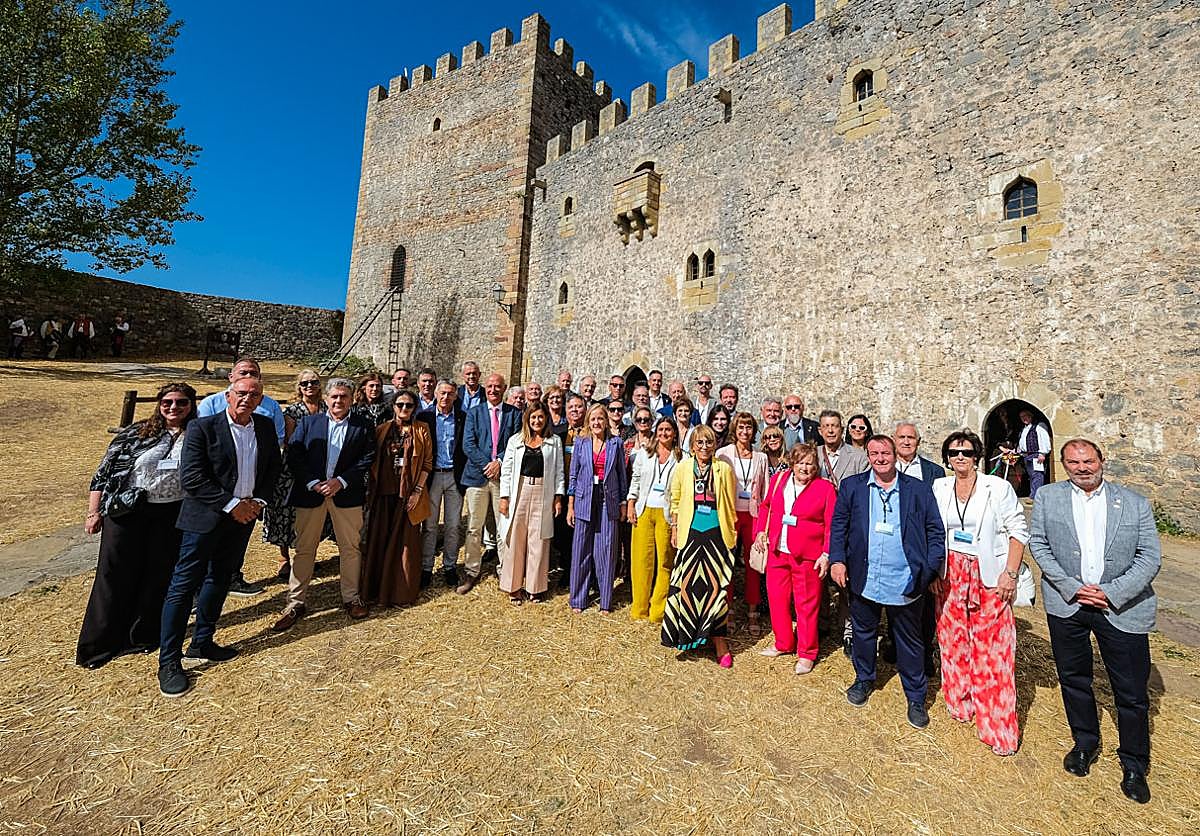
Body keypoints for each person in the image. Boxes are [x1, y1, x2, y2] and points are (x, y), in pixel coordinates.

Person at [1029, 438, 1161, 804]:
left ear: (1101, 460)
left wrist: (1111, 592)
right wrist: (1071, 587)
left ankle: (1134, 763)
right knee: (1074, 679)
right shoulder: (1048, 497)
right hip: (1068, 604)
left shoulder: (1134, 503)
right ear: (1063, 465)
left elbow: (1149, 557)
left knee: (1131, 691)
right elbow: (1039, 544)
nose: (1082, 468)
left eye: (1088, 460)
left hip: (1120, 607)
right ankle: (1085, 743)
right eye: (1073, 462)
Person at [157, 375, 281, 698]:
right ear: (228, 395)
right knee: (184, 586)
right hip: (206, 519)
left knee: (220, 579)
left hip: (243, 520)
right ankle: (169, 661)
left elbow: (272, 469)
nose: (247, 399)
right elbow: (192, 478)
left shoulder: (265, 427)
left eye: (254, 394)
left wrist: (258, 502)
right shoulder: (203, 428)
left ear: (261, 399)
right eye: (241, 393)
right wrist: (232, 505)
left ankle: (203, 641)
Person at [77, 383, 197, 669]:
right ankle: (99, 645)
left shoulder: (197, 434)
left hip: (171, 512)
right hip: (128, 510)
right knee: (114, 575)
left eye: (181, 402)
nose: (174, 407)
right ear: (159, 404)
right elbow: (104, 472)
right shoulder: (138, 432)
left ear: (191, 405)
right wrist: (94, 512)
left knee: (157, 575)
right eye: (168, 402)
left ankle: (141, 636)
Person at [829, 435, 945, 728]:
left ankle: (916, 697)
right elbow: (839, 525)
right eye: (874, 453)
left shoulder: (917, 489)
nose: (880, 458)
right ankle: (864, 679)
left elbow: (935, 531)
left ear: (895, 455)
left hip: (905, 580)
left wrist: (929, 570)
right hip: (865, 577)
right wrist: (838, 560)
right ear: (867, 456)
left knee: (910, 640)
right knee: (864, 633)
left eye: (885, 453)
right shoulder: (853, 487)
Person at [931, 429, 1028, 755]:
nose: (960, 457)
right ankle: (960, 703)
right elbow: (933, 531)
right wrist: (933, 572)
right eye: (954, 452)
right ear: (947, 458)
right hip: (950, 574)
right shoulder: (939, 487)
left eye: (967, 452)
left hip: (988, 574)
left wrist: (1010, 574)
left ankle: (997, 727)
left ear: (977, 456)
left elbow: (1018, 531)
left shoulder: (997, 487)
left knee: (993, 651)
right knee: (953, 643)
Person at [272, 379, 375, 631]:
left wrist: (341, 481)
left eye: (344, 396)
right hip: (311, 494)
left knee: (350, 549)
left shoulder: (363, 425)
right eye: (334, 396)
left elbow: (367, 457)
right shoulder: (309, 423)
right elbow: (294, 454)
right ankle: (295, 603)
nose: (339, 401)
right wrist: (312, 482)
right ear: (326, 399)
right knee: (304, 549)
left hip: (346, 495)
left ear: (351, 399)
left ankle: (351, 598)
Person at [753, 442, 836, 674]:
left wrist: (826, 553)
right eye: (800, 463)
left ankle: (807, 652)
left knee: (806, 605)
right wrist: (760, 531)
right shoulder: (779, 480)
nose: (804, 468)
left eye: (809, 463)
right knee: (777, 599)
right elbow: (766, 506)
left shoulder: (825, 488)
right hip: (777, 550)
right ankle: (783, 642)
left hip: (807, 556)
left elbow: (831, 524)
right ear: (792, 463)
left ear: (816, 466)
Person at [662, 425, 738, 667]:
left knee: (716, 589)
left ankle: (719, 642)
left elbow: (730, 502)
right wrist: (675, 528)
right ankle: (687, 635)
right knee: (686, 585)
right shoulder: (683, 468)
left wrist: (731, 533)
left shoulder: (724, 469)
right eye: (700, 442)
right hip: (691, 533)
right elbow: (675, 500)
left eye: (709, 442)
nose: (704, 447)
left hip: (717, 534)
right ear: (692, 445)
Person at [360, 389, 433, 608]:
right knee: (380, 541)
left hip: (408, 497)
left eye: (409, 405)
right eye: (400, 404)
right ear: (393, 406)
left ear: (414, 408)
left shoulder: (422, 430)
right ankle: (376, 591)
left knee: (405, 545)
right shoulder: (382, 430)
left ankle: (400, 592)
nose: (404, 409)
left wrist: (417, 492)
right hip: (384, 495)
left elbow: (427, 463)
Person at [262, 370, 326, 582]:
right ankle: (283, 558)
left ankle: (306, 555)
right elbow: (291, 443)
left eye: (313, 382)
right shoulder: (292, 411)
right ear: (299, 387)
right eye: (305, 383)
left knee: (312, 515)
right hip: (293, 469)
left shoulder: (327, 408)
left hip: (321, 467)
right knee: (285, 513)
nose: (309, 386)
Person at [498, 402, 565, 604]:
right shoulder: (515, 440)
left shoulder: (554, 442)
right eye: (533, 417)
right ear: (527, 419)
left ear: (546, 419)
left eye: (540, 417)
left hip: (543, 491)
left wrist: (558, 497)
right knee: (516, 539)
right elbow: (506, 471)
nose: (537, 421)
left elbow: (559, 471)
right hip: (520, 490)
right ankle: (513, 587)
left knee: (539, 540)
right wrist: (504, 497)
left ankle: (535, 588)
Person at [817, 409, 870, 655]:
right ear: (820, 430)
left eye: (835, 426)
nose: (830, 430)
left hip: (848, 526)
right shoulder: (813, 454)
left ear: (841, 429)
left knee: (846, 579)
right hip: (819, 526)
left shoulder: (858, 457)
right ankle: (822, 622)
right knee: (818, 577)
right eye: (826, 426)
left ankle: (849, 630)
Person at [461, 374, 520, 594]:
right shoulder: (474, 413)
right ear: (485, 388)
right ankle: (471, 570)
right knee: (474, 527)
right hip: (477, 477)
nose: (493, 390)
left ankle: (505, 570)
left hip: (502, 478)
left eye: (498, 386)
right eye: (490, 386)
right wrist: (488, 465)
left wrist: (500, 462)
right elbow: (468, 444)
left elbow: (516, 442)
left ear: (504, 389)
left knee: (504, 526)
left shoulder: (514, 414)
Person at [566, 404, 627, 613]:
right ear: (588, 422)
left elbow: (621, 476)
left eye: (600, 418)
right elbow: (573, 475)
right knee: (581, 549)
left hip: (607, 500)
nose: (596, 422)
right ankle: (578, 599)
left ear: (606, 421)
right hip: (584, 499)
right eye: (593, 419)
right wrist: (571, 506)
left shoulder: (616, 443)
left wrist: (622, 503)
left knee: (606, 550)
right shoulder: (581, 442)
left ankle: (605, 601)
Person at [717, 412, 769, 635]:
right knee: (727, 561)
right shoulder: (723, 454)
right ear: (734, 430)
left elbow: (765, 491)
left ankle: (752, 610)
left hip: (753, 515)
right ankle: (727, 608)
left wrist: (765, 524)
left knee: (753, 563)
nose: (745, 432)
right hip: (730, 513)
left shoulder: (761, 457)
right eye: (741, 427)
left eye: (748, 428)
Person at [626, 416, 682, 622]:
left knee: (665, 562)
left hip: (666, 514)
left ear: (674, 433)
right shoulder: (645, 454)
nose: (664, 433)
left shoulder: (681, 458)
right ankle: (639, 607)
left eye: (668, 430)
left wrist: (676, 521)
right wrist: (631, 503)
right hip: (644, 510)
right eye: (661, 429)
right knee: (641, 561)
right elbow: (636, 480)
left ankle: (658, 609)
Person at [423, 379, 467, 589]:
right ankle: (426, 567)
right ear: (436, 394)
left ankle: (449, 566)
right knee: (430, 525)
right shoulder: (425, 417)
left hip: (453, 476)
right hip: (432, 476)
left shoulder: (462, 418)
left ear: (456, 396)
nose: (445, 397)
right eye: (442, 393)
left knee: (453, 525)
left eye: (450, 393)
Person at [197, 357, 285, 445]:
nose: (248, 376)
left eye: (253, 373)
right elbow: (204, 435)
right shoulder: (210, 404)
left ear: (259, 377)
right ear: (231, 377)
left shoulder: (272, 406)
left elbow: (278, 438)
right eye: (243, 373)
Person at [553, 394, 589, 585]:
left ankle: (582, 572)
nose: (575, 410)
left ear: (585, 409)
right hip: (563, 488)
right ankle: (567, 569)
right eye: (571, 407)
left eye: (578, 407)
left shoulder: (591, 434)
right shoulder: (558, 434)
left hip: (584, 492)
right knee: (562, 533)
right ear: (566, 411)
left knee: (580, 533)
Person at [1017, 409, 1052, 498]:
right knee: (1032, 476)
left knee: (1037, 475)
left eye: (1025, 416)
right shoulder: (1024, 429)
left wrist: (1042, 453)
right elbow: (1022, 442)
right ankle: (1033, 495)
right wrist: (1018, 451)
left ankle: (1036, 496)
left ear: (1030, 416)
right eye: (1022, 417)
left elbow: (1044, 439)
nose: (1024, 418)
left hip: (1036, 455)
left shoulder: (1039, 426)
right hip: (1026, 456)